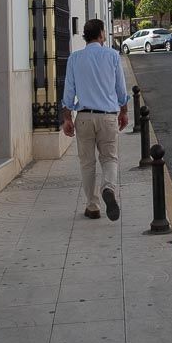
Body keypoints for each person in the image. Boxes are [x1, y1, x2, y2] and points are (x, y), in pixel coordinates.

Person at [61, 18, 130, 220]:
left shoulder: (75, 58)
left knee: (87, 163)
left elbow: (69, 92)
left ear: (85, 36)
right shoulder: (112, 56)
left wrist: (67, 118)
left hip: (83, 117)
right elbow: (121, 89)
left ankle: (92, 206)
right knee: (109, 158)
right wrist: (124, 111)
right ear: (101, 35)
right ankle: (108, 187)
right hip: (107, 117)